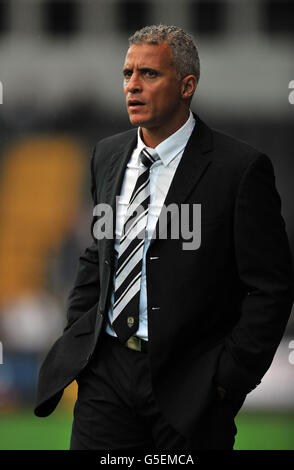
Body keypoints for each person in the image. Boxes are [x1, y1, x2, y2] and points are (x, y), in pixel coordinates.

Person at [34, 25, 294, 450]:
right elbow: (96, 256)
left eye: (149, 74)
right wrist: (81, 338)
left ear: (187, 85)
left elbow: (271, 288)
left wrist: (230, 378)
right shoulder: (106, 155)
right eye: (127, 74)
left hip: (191, 380)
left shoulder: (240, 169)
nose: (132, 85)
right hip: (108, 375)